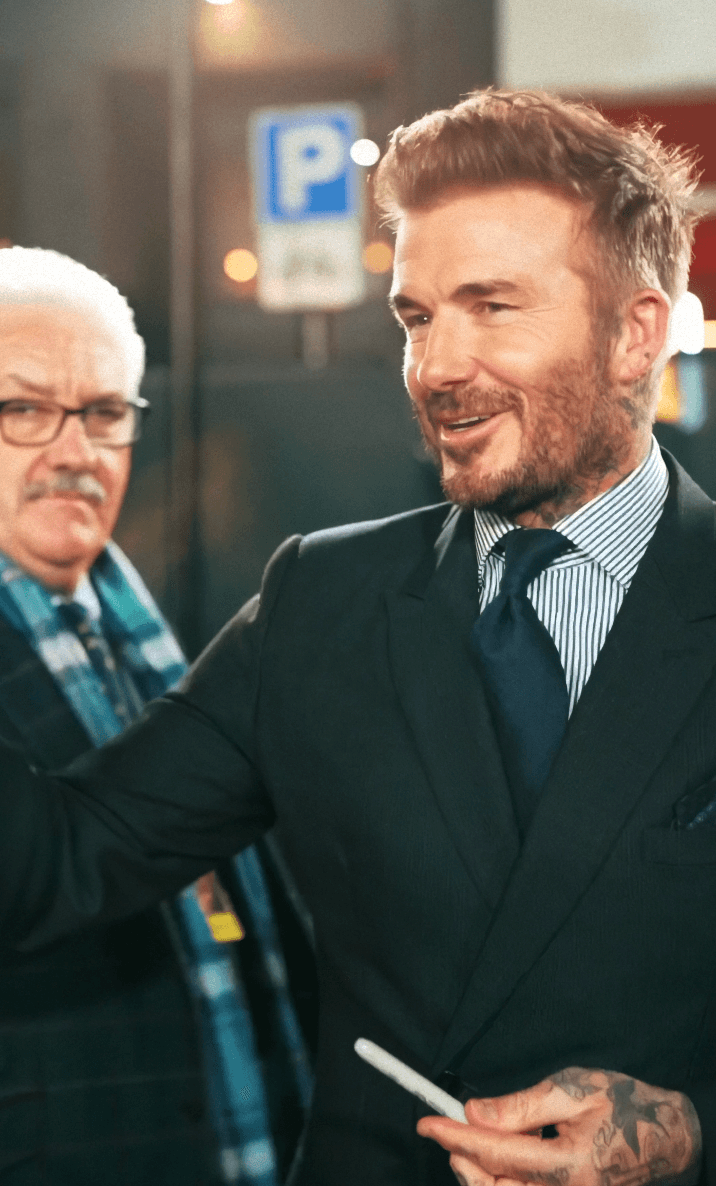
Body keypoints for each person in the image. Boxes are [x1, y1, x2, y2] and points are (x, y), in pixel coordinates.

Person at [0, 91, 711, 1186]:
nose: (434, 368)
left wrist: (684, 1130)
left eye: (491, 307)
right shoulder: (319, 601)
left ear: (635, 333)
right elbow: (52, 862)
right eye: (416, 317)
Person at [0, 248, 312, 1186]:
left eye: (104, 413)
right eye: (21, 409)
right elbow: (41, 870)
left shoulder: (134, 636)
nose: (74, 450)